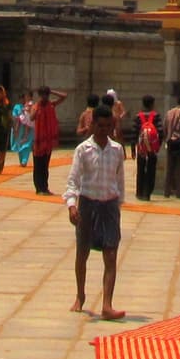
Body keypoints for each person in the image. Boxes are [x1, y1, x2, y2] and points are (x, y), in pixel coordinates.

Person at [64, 105, 126, 319]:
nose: (104, 130)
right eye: (100, 126)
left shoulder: (117, 150)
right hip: (88, 204)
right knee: (83, 253)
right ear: (92, 125)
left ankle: (107, 305)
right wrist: (72, 205)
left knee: (110, 254)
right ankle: (80, 295)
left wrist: (119, 205)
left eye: (108, 126)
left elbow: (120, 181)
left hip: (109, 205)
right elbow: (73, 181)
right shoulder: (83, 150)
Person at [30, 85, 68, 195]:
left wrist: (52, 91)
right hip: (38, 141)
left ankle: (45, 187)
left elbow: (64, 96)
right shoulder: (36, 106)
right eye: (43, 95)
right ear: (40, 95)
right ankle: (39, 188)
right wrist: (35, 110)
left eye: (46, 95)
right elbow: (31, 117)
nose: (45, 97)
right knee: (38, 166)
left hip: (48, 141)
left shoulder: (51, 104)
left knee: (45, 166)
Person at [133, 95, 161, 202]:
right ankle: (147, 192)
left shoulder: (138, 116)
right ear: (152, 104)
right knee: (151, 170)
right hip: (152, 149)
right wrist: (157, 146)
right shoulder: (156, 116)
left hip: (141, 149)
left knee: (140, 169)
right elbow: (160, 132)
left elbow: (134, 132)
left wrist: (133, 147)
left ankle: (139, 192)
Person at [10, 92, 34, 167]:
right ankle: (21, 160)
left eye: (25, 98)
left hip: (28, 127)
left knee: (27, 144)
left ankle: (24, 160)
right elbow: (14, 116)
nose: (23, 100)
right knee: (19, 144)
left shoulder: (31, 105)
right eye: (22, 98)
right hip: (19, 128)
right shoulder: (17, 107)